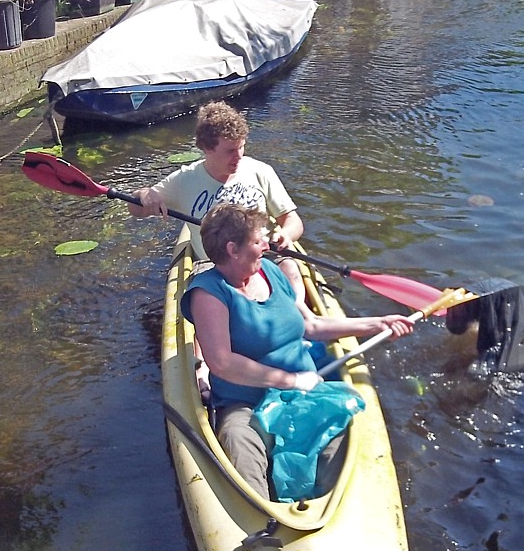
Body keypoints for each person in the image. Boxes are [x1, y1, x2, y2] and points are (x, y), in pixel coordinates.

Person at [180, 204, 415, 499]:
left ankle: (327, 501)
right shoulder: (209, 293)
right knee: (238, 439)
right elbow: (222, 362)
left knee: (339, 432)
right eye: (258, 241)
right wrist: (290, 381)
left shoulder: (268, 271)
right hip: (246, 402)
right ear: (233, 249)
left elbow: (312, 326)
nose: (267, 245)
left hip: (306, 391)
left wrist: (377, 324)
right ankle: (263, 516)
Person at [128, 101, 305, 394]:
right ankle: (204, 368)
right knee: (211, 300)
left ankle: (301, 319)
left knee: (290, 265)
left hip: (260, 254)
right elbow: (137, 208)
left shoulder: (259, 171)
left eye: (242, 147)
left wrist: (285, 235)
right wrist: (146, 196)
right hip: (213, 263)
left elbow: (292, 220)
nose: (239, 157)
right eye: (230, 151)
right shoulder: (185, 181)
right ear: (207, 148)